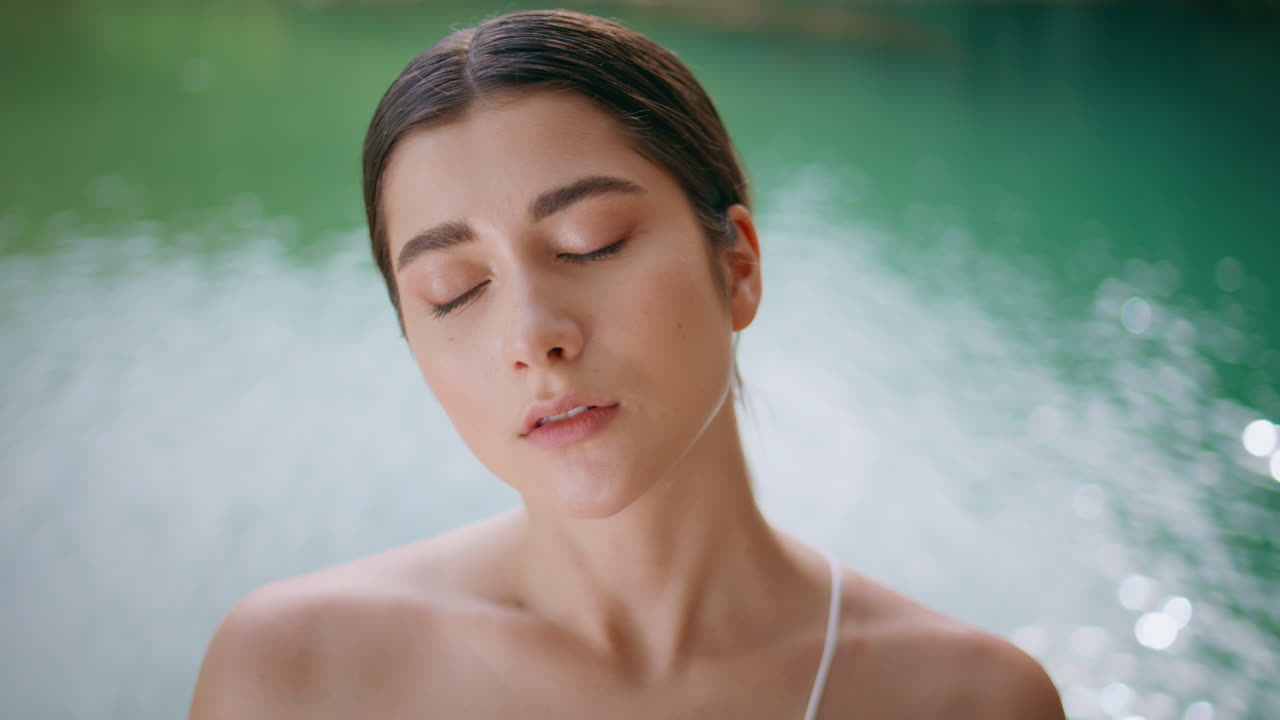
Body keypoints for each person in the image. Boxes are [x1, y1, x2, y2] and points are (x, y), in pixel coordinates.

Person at [189, 10, 1065, 719]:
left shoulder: (973, 701)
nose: (533, 334)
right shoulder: (295, 677)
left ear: (739, 266)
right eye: (454, 291)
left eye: (590, 242)